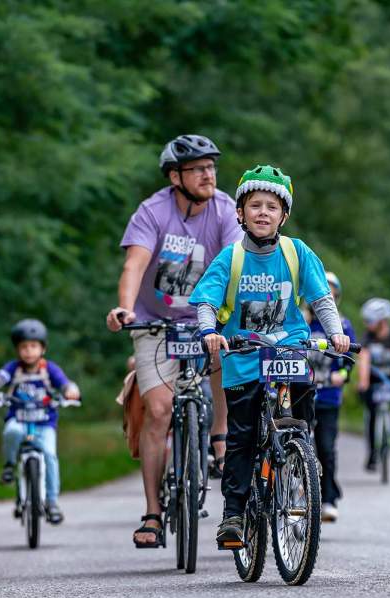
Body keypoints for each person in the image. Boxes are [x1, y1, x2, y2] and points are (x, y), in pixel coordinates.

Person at [189, 165, 350, 548]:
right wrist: (210, 332)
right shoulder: (231, 258)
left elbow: (320, 299)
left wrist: (337, 334)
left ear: (284, 215)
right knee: (242, 438)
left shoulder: (297, 253)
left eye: (272, 207)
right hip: (243, 357)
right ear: (240, 214)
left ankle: (296, 471)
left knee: (298, 423)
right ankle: (233, 515)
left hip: (289, 351)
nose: (263, 212)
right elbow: (207, 302)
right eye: (255, 205)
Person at [105, 134, 241, 547]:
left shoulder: (223, 210)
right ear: (175, 175)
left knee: (223, 350)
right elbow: (134, 265)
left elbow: (238, 260)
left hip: (205, 320)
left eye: (211, 167)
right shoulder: (153, 211)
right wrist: (125, 309)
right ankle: (152, 513)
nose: (209, 175)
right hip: (154, 323)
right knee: (159, 411)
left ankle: (219, 436)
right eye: (199, 168)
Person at [0, 319, 80, 525]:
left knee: (50, 456)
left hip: (44, 423)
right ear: (17, 350)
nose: (29, 351)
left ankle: (52, 502)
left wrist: (71, 392)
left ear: (43, 348)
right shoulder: (13, 369)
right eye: (24, 347)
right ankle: (9, 465)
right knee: (11, 433)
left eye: (33, 346)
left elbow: (65, 383)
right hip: (18, 419)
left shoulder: (49, 369)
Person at [307, 272, 357, 522]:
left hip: (328, 398)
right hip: (302, 394)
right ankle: (297, 494)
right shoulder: (303, 323)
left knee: (325, 448)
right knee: (300, 445)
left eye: (331, 294)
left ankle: (328, 498)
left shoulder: (343, 325)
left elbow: (350, 358)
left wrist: (344, 374)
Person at [357, 297, 390, 471]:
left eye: (370, 320)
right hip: (374, 379)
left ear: (382, 320)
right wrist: (363, 383)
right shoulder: (367, 337)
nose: (367, 324)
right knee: (371, 413)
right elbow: (363, 361)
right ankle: (372, 454)